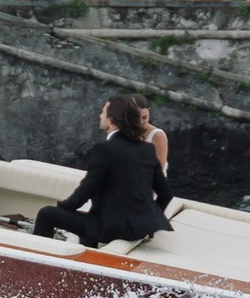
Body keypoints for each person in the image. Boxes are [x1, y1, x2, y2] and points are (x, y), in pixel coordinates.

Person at [34, 95, 174, 248]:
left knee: (47, 214)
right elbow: (166, 194)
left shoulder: (106, 149)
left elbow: (86, 190)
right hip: (137, 228)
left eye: (103, 112)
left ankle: (36, 267)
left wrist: (62, 209)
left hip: (113, 228)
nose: (100, 115)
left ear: (112, 120)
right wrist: (148, 220)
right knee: (90, 220)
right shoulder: (146, 149)